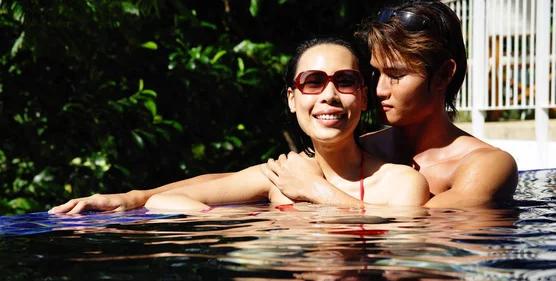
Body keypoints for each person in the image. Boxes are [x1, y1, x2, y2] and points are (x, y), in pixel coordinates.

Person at [51, 37, 429, 214]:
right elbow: (163, 200)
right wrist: (132, 198)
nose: (329, 94)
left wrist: (317, 191)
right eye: (312, 82)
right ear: (292, 99)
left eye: (345, 80)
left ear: (363, 97)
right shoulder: (279, 176)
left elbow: (406, 243)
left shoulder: (401, 182)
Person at [261, 0, 519, 209]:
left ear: (443, 75)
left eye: (396, 75)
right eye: (375, 74)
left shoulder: (485, 165)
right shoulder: (363, 145)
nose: (378, 90)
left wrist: (316, 190)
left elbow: (417, 229)